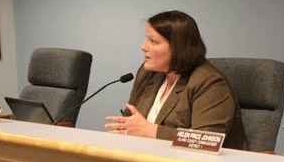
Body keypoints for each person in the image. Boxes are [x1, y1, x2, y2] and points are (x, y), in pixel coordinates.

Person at [105, 11, 247, 149]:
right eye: (146, 39)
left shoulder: (210, 83)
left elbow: (207, 142)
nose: (143, 47)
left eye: (153, 41)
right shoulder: (148, 73)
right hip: (146, 161)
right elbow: (131, 124)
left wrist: (150, 131)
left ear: (178, 48)